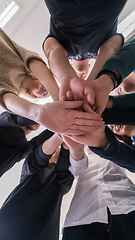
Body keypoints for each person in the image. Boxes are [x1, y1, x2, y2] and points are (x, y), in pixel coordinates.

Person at [0, 28, 103, 135]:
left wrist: (38, 112)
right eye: (46, 92)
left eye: (44, 94)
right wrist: (57, 98)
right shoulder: (30, 66)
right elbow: (33, 59)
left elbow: (4, 96)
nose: (44, 91)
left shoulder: (11, 89)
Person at [43, 0, 127, 111]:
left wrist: (67, 77)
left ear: (71, 64)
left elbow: (51, 49)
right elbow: (114, 45)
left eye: (77, 75)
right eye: (83, 76)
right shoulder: (101, 50)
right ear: (89, 65)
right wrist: (92, 83)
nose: (80, 75)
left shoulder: (63, 49)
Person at [0, 131, 74, 240]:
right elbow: (38, 158)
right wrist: (62, 134)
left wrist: (66, 141)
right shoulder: (28, 172)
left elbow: (64, 170)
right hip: (9, 229)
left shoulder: (63, 184)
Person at [61, 137, 135, 240]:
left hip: (128, 206)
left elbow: (127, 158)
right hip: (81, 220)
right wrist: (75, 147)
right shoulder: (80, 156)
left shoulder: (116, 145)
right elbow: (78, 169)